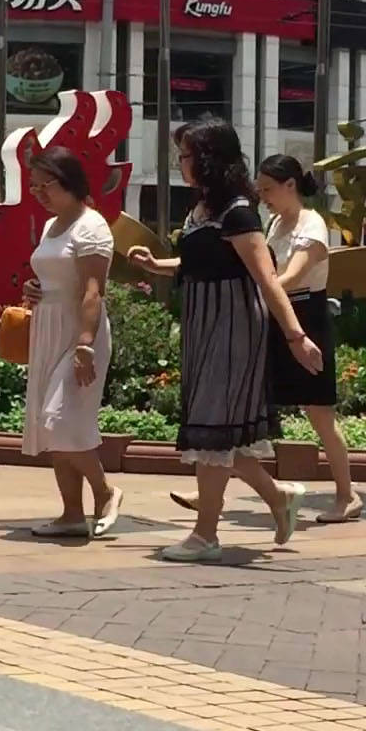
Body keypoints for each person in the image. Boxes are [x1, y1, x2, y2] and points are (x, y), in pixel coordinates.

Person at [129, 119, 322, 563]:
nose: (181, 163)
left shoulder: (238, 213)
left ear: (209, 160)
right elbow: (203, 262)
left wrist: (296, 336)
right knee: (216, 432)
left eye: (187, 156)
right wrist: (157, 265)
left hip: (233, 327)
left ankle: (205, 536)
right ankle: (278, 497)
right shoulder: (203, 210)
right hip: (204, 325)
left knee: (212, 430)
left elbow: (266, 279)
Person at [167, 154, 361, 526]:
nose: (263, 197)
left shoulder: (313, 225)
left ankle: (346, 495)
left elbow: (287, 278)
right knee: (239, 409)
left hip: (304, 318)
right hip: (271, 317)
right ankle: (212, 488)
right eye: (260, 190)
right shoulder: (272, 224)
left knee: (319, 414)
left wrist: (251, 290)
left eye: (269, 189)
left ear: (291, 185)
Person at [22, 147, 123, 539]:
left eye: (45, 185)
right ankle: (71, 514)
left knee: (60, 419)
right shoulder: (52, 225)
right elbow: (53, 276)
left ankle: (105, 491)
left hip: (80, 332)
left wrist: (84, 344)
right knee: (54, 427)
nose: (39, 194)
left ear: (69, 182)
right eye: (34, 187)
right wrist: (35, 289)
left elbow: (93, 291)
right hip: (47, 328)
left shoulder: (91, 226)